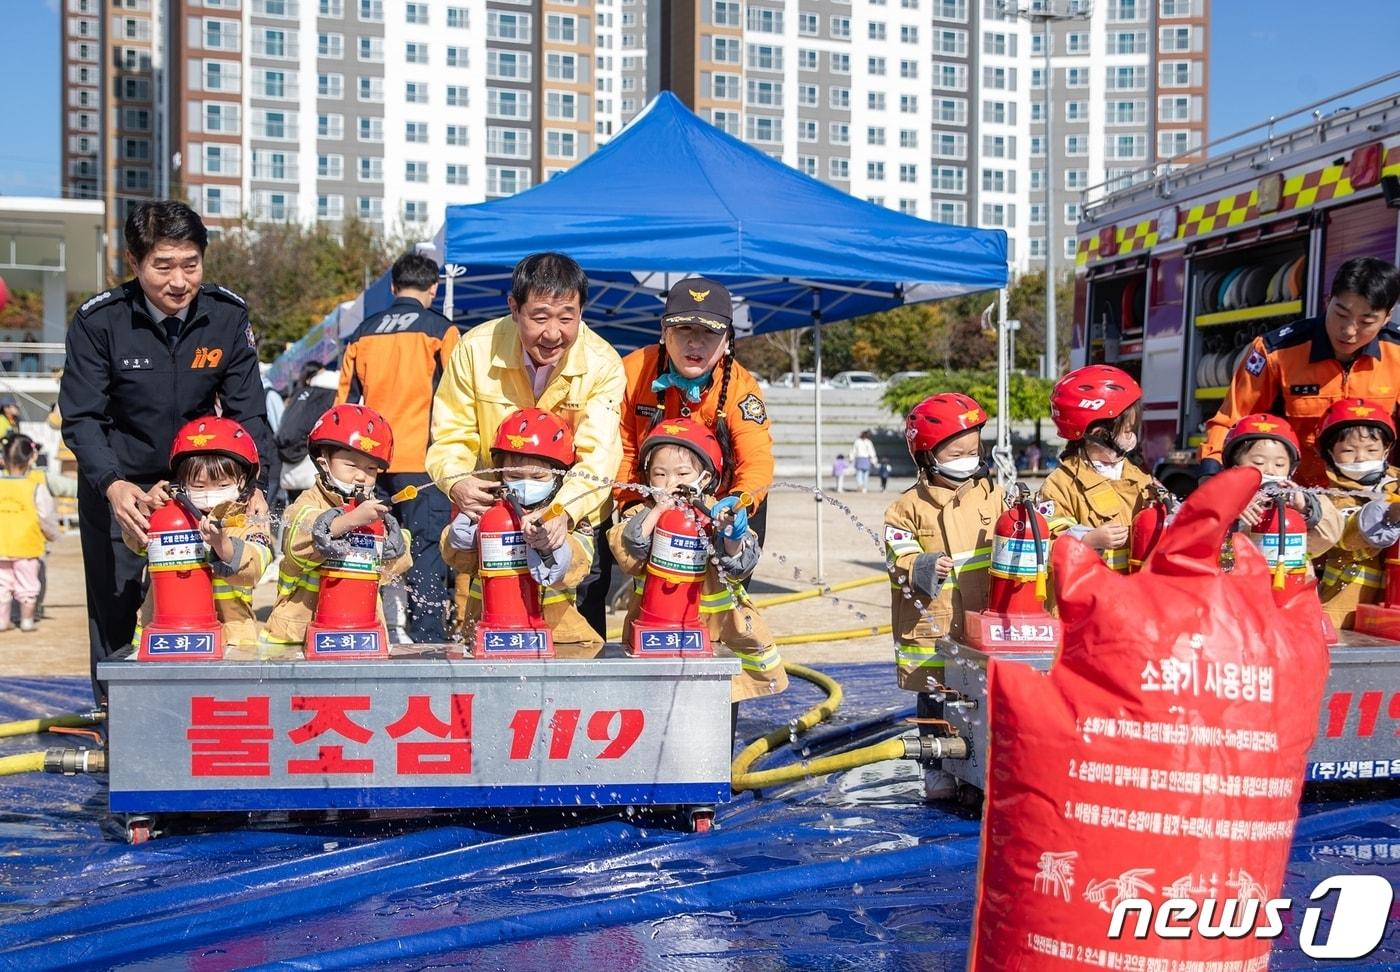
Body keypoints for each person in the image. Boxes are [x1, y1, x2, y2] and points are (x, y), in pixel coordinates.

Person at [59, 200, 270, 701]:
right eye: (163, 266)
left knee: (210, 601)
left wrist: (255, 486)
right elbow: (82, 417)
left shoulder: (225, 317)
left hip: (204, 491)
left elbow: (249, 413)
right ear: (133, 262)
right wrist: (112, 485)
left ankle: (196, 716)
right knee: (116, 607)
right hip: (123, 490)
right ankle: (115, 722)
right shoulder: (100, 322)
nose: (179, 281)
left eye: (190, 265)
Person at [426, 252, 625, 617]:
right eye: (539, 317)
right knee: (491, 630)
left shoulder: (603, 363)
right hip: (494, 518)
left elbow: (600, 455)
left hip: (572, 525)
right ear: (514, 308)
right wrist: (457, 483)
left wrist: (562, 514)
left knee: (574, 649)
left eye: (567, 318)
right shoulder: (474, 350)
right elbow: (451, 435)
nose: (553, 333)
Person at [594, 278, 774, 635]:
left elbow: (757, 459)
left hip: (725, 499)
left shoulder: (740, 387)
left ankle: (725, 679)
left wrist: (736, 507)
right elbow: (624, 448)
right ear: (664, 331)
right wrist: (635, 506)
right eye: (684, 329)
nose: (695, 342)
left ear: (726, 341)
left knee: (723, 595)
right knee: (652, 587)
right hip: (652, 492)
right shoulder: (633, 371)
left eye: (709, 333)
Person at [610, 418, 787, 704]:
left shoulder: (717, 513)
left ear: (704, 478)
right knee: (654, 702)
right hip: (657, 630)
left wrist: (733, 534)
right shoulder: (645, 513)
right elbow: (631, 545)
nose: (671, 483)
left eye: (682, 473)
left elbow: (739, 565)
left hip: (717, 633)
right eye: (659, 474)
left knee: (714, 705)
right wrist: (659, 511)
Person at [884, 393, 1003, 801]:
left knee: (975, 699)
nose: (968, 459)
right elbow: (895, 551)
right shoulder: (906, 508)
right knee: (935, 700)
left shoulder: (992, 496)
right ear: (927, 454)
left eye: (974, 451)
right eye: (957, 452)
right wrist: (920, 563)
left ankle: (974, 772)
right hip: (931, 629)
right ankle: (935, 770)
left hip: (976, 623)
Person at [339, 251, 462, 643]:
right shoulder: (441, 330)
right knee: (425, 549)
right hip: (422, 462)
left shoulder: (363, 332)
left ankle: (359, 627)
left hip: (368, 466)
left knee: (362, 545)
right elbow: (458, 396)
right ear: (433, 288)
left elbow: (343, 407)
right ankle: (427, 638)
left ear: (393, 288)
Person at [1201, 257, 1400, 486]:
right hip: (1295, 496)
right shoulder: (1276, 352)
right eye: (1341, 314)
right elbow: (1231, 421)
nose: (1349, 331)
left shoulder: (1397, 353)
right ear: (1328, 300)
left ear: (1387, 318)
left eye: (1366, 322)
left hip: (1376, 496)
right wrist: (1211, 476)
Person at [440, 408, 602, 657]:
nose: (526, 484)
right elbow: (460, 561)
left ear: (559, 477)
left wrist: (551, 545)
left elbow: (578, 567)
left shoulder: (566, 518)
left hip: (557, 637)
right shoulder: (487, 511)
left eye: (538, 476)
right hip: (488, 634)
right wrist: (464, 536)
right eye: (514, 476)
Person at [261, 404, 411, 651]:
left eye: (371, 468)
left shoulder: (374, 513)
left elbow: (390, 570)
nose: (361, 476)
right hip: (296, 635)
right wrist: (350, 520)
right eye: (351, 465)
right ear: (324, 462)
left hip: (360, 633)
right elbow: (299, 538)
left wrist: (395, 541)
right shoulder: (308, 503)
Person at [123, 417, 273, 649]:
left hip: (230, 640)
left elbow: (255, 566)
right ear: (182, 483)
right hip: (163, 638)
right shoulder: (171, 514)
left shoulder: (247, 521)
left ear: (241, 481)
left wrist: (223, 545)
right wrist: (147, 509)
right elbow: (137, 542)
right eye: (199, 487)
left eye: (222, 485)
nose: (210, 494)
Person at [1039, 365, 1154, 573]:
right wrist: (1088, 539)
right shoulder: (1061, 485)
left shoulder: (1138, 476)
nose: (1132, 437)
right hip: (1085, 600)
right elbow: (1044, 548)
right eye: (1127, 430)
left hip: (1132, 599)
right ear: (1100, 434)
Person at [1299, 399, 1400, 629]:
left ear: (1386, 450)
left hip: (1393, 604)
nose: (1361, 457)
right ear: (1329, 453)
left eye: (1371, 450)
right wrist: (1390, 514)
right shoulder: (1329, 496)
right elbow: (1345, 537)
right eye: (1348, 450)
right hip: (1346, 608)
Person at [1221, 412, 1340, 583]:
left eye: (1279, 464)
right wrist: (1229, 512)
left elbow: (1329, 536)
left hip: (1292, 592)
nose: (1270, 470)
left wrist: (1307, 509)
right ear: (1234, 467)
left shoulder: (1298, 500)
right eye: (1259, 463)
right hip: (1239, 592)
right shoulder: (1221, 500)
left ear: (1291, 470)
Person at [0, 435, 60, 632]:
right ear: (29, 459)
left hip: (2, 546)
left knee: (2, 585)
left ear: (4, 459)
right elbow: (46, 516)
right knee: (28, 584)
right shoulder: (35, 488)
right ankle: (27, 621)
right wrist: (52, 535)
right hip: (27, 546)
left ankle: (3, 621)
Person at [277, 366, 339, 503]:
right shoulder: (331, 395)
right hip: (311, 466)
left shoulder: (301, 393)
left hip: (290, 464)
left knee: (294, 511)